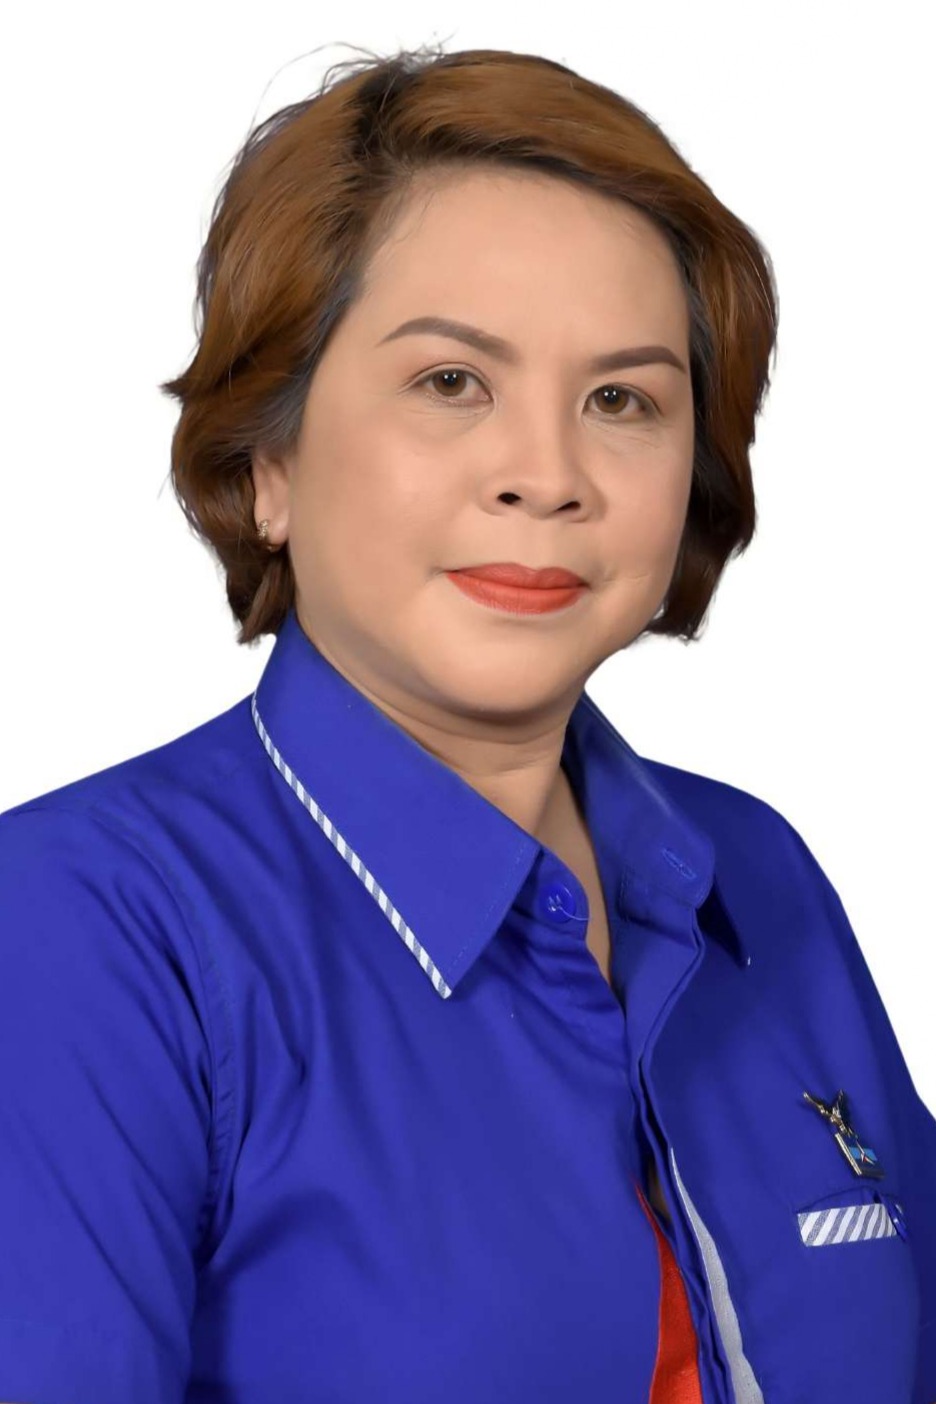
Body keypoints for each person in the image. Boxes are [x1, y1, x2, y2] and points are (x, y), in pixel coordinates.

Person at [0, 41, 932, 1404]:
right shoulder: (77, 925)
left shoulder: (760, 874)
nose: (546, 476)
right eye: (451, 382)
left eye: (621, 399)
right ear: (268, 459)